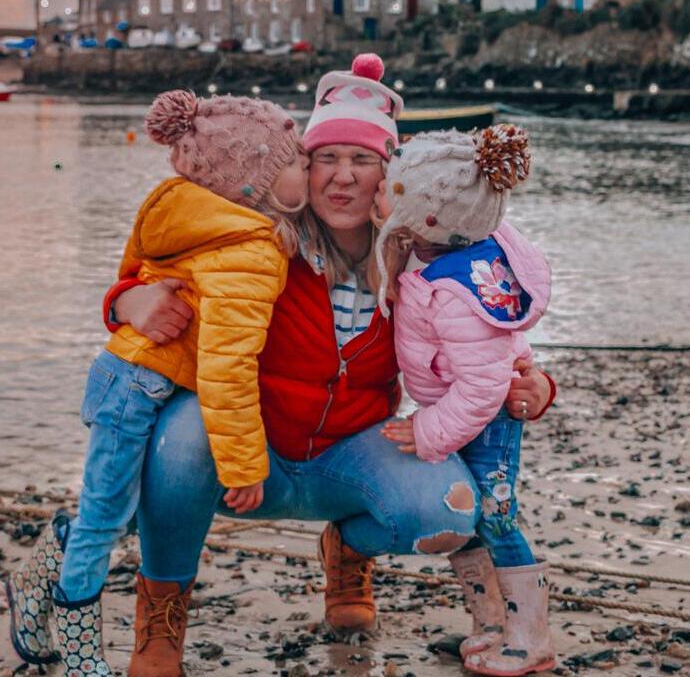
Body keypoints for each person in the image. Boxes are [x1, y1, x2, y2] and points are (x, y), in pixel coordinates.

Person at [71, 56, 554, 677]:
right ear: (304, 164)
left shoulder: (428, 255)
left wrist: (536, 385)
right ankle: (161, 619)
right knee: (181, 432)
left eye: (363, 161)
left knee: (449, 510)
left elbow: (495, 329)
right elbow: (151, 278)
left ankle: (348, 553)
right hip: (250, 459)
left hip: (349, 455)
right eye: (327, 158)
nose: (342, 178)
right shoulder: (257, 237)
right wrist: (128, 302)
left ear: (390, 174)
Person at [6, 90, 308, 675]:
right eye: (294, 160)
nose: (310, 165)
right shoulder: (250, 249)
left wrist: (128, 302)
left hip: (130, 378)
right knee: (103, 520)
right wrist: (244, 466)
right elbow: (227, 367)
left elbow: (134, 276)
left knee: (113, 510)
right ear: (254, 183)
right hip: (138, 386)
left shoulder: (187, 213)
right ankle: (82, 659)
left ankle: (35, 580)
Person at [374, 125, 555, 676]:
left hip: (487, 417)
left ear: (426, 214)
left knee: (496, 517)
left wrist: (428, 430)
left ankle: (530, 638)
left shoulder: (455, 290)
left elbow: (482, 387)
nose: (379, 194)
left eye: (391, 188)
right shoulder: (438, 250)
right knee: (468, 518)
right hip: (457, 409)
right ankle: (490, 626)